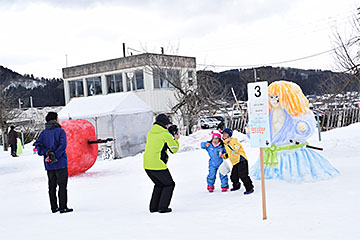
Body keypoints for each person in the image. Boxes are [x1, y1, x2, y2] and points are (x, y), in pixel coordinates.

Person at [250, 81, 339, 182]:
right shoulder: (267, 115)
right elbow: (261, 131)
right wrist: (253, 131)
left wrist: (302, 129)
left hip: (291, 154)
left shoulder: (296, 113)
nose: (274, 101)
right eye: (271, 97)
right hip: (272, 155)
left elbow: (307, 124)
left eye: (277, 97)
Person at [35, 112, 73, 214]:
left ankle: (54, 207)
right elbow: (63, 145)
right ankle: (63, 207)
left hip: (49, 164)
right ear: (55, 119)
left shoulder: (43, 133)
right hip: (60, 162)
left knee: (51, 186)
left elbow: (38, 146)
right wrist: (55, 155)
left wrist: (47, 153)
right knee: (62, 185)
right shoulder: (60, 131)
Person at [143, 114, 180, 213]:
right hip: (157, 164)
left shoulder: (151, 133)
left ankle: (154, 207)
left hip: (147, 164)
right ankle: (163, 207)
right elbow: (174, 149)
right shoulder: (165, 134)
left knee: (159, 184)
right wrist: (175, 138)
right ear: (165, 124)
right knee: (169, 184)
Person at [221, 128, 254, 195]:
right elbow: (230, 153)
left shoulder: (234, 141)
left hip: (241, 160)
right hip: (235, 162)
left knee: (243, 175)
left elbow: (235, 149)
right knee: (233, 176)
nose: (224, 135)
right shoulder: (225, 143)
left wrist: (228, 144)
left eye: (225, 134)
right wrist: (224, 156)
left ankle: (249, 188)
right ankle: (236, 186)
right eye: (223, 134)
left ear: (229, 135)